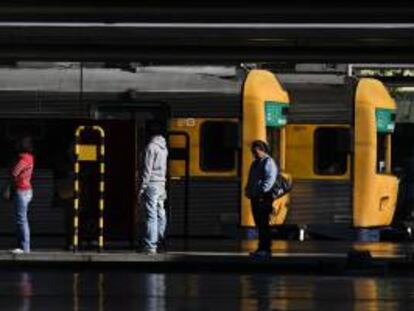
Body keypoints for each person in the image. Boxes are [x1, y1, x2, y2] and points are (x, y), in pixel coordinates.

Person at [138, 122, 168, 255]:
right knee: (160, 213)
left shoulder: (151, 147)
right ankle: (160, 240)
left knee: (151, 216)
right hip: (161, 184)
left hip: (152, 184)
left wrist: (142, 188)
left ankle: (150, 245)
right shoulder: (163, 148)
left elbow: (147, 170)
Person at [245, 140, 278, 259]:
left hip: (263, 198)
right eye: (253, 151)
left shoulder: (268, 162)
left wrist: (260, 191)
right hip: (255, 197)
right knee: (259, 224)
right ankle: (261, 249)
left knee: (264, 224)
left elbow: (269, 180)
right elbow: (251, 179)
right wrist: (248, 190)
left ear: (262, 150)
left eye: (256, 151)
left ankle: (266, 250)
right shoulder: (255, 163)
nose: (254, 153)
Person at [10, 137, 34, 254]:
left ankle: (25, 248)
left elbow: (15, 171)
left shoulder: (24, 158)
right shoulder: (30, 157)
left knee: (21, 219)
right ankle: (22, 247)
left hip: (22, 190)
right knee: (21, 219)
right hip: (27, 190)